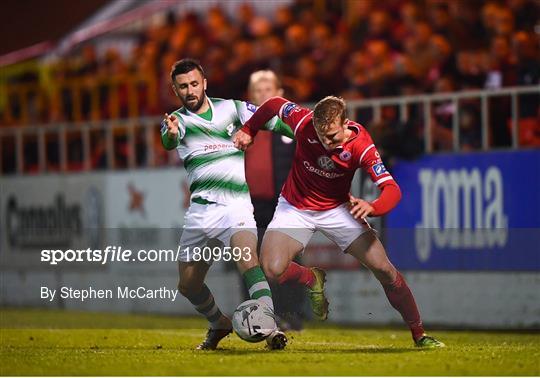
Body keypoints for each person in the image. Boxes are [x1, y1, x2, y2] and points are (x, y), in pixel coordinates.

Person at [234, 95, 445, 348]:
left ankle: (419, 334)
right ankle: (311, 278)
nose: (327, 142)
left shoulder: (362, 145)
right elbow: (273, 103)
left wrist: (373, 206)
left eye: (333, 136)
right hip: (295, 206)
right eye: (322, 136)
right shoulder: (304, 120)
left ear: (346, 124)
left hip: (337, 209)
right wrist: (249, 129)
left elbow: (392, 189)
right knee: (271, 268)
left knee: (385, 270)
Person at [161, 58, 290, 350]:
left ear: (204, 82)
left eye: (194, 83)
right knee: (188, 285)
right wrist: (169, 135)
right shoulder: (176, 122)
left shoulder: (233, 108)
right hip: (202, 213)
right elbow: (169, 140)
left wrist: (308, 132)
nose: (190, 90)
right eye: (183, 86)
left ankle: (270, 329)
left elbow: (274, 122)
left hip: (236, 206)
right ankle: (218, 323)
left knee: (248, 260)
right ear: (175, 89)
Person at [244, 70, 304, 330]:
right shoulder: (240, 125)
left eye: (268, 88)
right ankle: (257, 315)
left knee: (286, 260)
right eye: (258, 90)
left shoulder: (293, 125)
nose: (263, 94)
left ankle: (291, 314)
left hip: (286, 204)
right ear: (250, 95)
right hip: (249, 205)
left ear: (279, 94)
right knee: (249, 260)